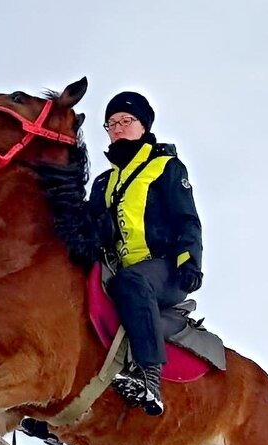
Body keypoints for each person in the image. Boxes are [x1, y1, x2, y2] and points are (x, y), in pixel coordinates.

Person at [89, 91, 203, 416]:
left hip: (166, 270)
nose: (118, 127)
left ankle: (149, 374)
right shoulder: (103, 183)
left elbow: (187, 219)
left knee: (131, 281)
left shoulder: (166, 167)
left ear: (143, 126)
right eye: (111, 123)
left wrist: (189, 261)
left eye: (127, 121)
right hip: (120, 272)